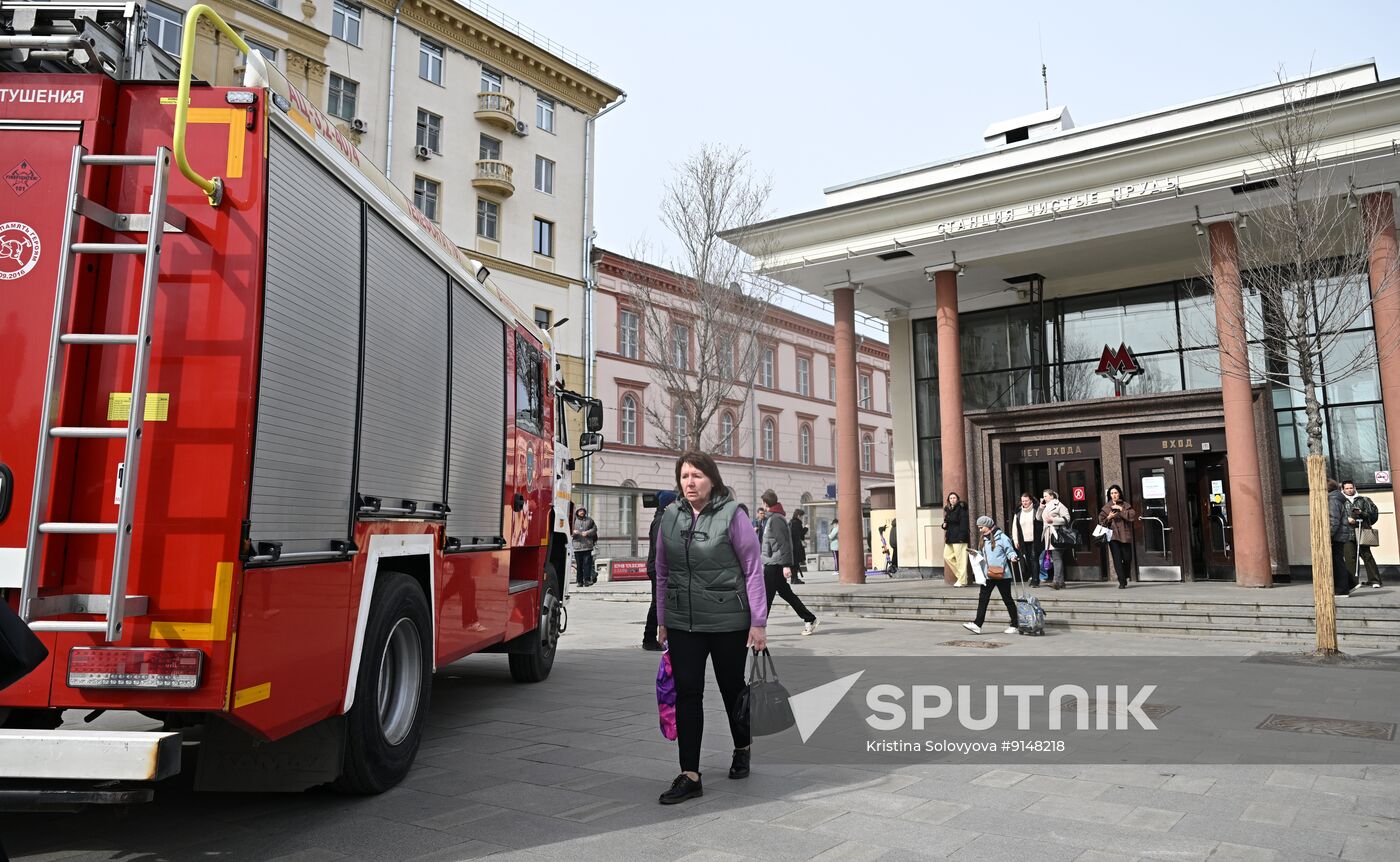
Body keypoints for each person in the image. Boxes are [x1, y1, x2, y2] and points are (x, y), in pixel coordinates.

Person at [654, 452, 767, 804]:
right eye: (685, 475)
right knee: (688, 692)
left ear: (713, 480)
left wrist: (758, 622)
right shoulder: (670, 516)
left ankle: (742, 746)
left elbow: (752, 568)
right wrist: (661, 619)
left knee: (732, 687)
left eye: (697, 475)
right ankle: (690, 774)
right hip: (683, 620)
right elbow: (661, 570)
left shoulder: (733, 515)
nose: (690, 482)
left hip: (726, 620)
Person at [759, 490, 819, 636]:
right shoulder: (771, 518)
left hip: (775, 564)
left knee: (766, 597)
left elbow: (784, 543)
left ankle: (758, 629)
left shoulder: (776, 519)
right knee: (786, 594)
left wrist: (786, 565)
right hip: (772, 562)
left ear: (765, 503)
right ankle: (809, 618)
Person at [963, 516, 1019, 635]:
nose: (980, 530)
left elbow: (1010, 551)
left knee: (1007, 599)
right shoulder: (984, 538)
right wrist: (976, 553)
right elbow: (985, 554)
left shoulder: (1002, 538)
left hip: (1002, 575)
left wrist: (1013, 557)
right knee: (983, 599)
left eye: (981, 527)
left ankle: (1015, 624)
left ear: (988, 526)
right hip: (988, 575)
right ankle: (977, 625)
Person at [643, 490, 677, 651]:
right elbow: (659, 548)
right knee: (657, 602)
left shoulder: (663, 519)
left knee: (658, 601)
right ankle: (649, 639)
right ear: (668, 504)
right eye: (674, 502)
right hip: (657, 567)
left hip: (658, 567)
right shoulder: (661, 521)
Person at [1341, 480, 1383, 590]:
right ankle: (1353, 582)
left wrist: (1361, 513)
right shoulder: (1340, 501)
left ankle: (1374, 580)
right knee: (1350, 557)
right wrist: (1347, 520)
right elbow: (1336, 516)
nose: (1349, 490)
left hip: (1361, 530)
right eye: (1347, 488)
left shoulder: (1364, 500)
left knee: (1367, 555)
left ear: (1354, 487)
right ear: (1343, 489)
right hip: (1347, 532)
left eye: (1351, 488)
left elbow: (1373, 515)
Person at [1098, 485, 1138, 589]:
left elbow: (1132, 516)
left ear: (1119, 493)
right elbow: (1101, 521)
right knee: (1117, 558)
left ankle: (1125, 574)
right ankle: (1122, 581)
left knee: (1127, 557)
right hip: (1113, 536)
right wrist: (1109, 517)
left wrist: (1120, 509)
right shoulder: (1106, 507)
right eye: (1111, 493)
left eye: (1115, 493)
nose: (1114, 495)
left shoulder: (1125, 505)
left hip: (1125, 535)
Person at [1038, 489, 1072, 590]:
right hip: (1048, 535)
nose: (1044, 498)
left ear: (1052, 496)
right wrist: (1040, 508)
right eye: (1043, 496)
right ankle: (1061, 582)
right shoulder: (1045, 506)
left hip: (1057, 534)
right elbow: (1038, 518)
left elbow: (1067, 518)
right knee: (1056, 557)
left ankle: (1056, 581)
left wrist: (1053, 520)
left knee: (1057, 557)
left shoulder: (1059, 505)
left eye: (1046, 496)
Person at [1010, 492, 1042, 588]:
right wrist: (1015, 540)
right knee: (1027, 559)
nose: (1024, 502)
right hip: (1023, 540)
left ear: (1031, 500)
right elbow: (1014, 528)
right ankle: (1033, 577)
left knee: (1034, 558)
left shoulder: (1036, 510)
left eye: (1026, 500)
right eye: (1023, 501)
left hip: (1035, 539)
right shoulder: (1018, 512)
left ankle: (1036, 580)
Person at [1327, 479, 1352, 597]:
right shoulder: (1336, 498)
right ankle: (1351, 583)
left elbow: (1333, 521)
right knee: (1338, 560)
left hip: (1336, 536)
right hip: (1339, 534)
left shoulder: (1332, 500)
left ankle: (1342, 589)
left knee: (1337, 561)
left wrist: (1328, 537)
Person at [942, 491, 970, 587]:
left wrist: (962, 537)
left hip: (959, 537)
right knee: (947, 556)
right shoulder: (949, 509)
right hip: (950, 537)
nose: (952, 500)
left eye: (954, 498)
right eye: (950, 498)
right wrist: (944, 525)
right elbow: (947, 523)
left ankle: (962, 581)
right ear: (948, 500)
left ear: (957, 499)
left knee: (961, 560)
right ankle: (962, 577)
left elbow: (964, 523)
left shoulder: (961, 509)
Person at [572, 507, 598, 587]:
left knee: (587, 564)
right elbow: (568, 530)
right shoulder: (573, 521)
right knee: (579, 565)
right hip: (577, 547)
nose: (582, 512)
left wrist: (588, 532)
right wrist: (573, 532)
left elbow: (595, 529)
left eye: (583, 511)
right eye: (580, 511)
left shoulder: (589, 520)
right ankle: (579, 582)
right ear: (577, 512)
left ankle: (587, 580)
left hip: (587, 546)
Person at [789, 508, 808, 584]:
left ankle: (793, 578)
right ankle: (795, 579)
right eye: (802, 516)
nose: (802, 518)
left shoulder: (791, 522)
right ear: (798, 515)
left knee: (794, 563)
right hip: (796, 546)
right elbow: (800, 534)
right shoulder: (797, 523)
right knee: (795, 563)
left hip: (792, 545)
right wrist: (806, 528)